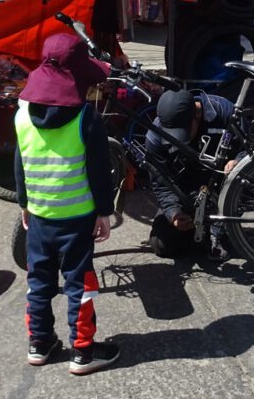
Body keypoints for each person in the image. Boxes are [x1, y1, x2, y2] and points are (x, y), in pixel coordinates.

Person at [14, 33, 121, 375]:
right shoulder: (85, 117)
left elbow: (19, 163)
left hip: (41, 215)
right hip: (77, 217)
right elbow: (99, 171)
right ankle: (83, 351)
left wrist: (24, 203)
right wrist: (104, 211)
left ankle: (39, 343)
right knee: (80, 283)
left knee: (39, 281)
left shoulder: (22, 114)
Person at [144, 88, 238, 260]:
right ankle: (197, 226)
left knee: (236, 179)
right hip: (185, 189)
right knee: (161, 244)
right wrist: (173, 214)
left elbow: (252, 145)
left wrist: (238, 160)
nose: (181, 140)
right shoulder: (155, 136)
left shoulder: (223, 111)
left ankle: (220, 228)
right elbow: (160, 183)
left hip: (221, 185)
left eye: (184, 133)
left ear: (196, 114)